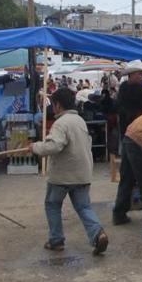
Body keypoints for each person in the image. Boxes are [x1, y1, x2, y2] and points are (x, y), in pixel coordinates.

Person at [25, 87, 108, 255]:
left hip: (63, 175)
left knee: (52, 205)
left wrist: (35, 147)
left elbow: (54, 145)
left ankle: (56, 240)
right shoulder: (79, 121)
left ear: (57, 105)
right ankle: (98, 234)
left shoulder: (61, 123)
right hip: (82, 173)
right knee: (84, 207)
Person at [116, 61, 142, 136]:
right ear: (131, 75)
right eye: (140, 74)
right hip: (136, 130)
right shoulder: (138, 89)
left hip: (129, 129)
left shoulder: (124, 86)